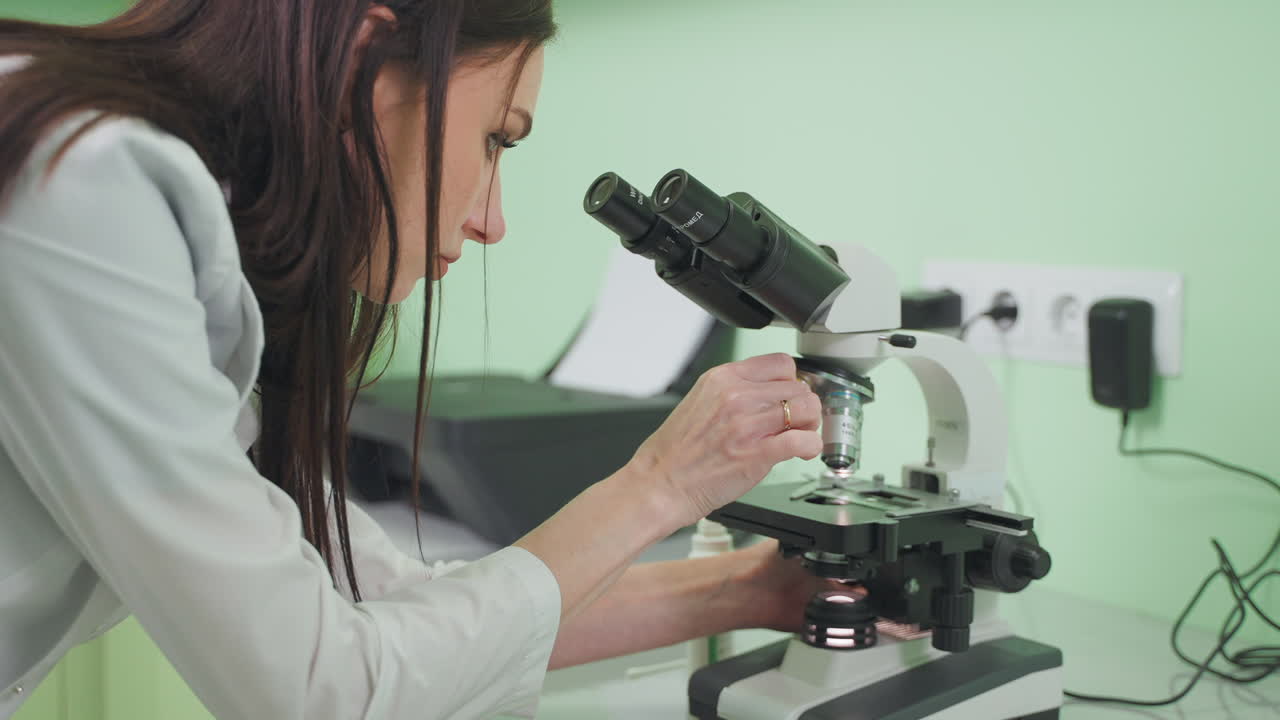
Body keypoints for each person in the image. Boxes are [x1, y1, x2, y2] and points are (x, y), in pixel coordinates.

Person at [0, 2, 830, 718]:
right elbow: (321, 691)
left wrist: (752, 589)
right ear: (369, 61)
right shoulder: (86, 182)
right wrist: (660, 486)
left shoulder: (154, 222)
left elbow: (393, 598)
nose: (492, 220)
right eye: (496, 139)